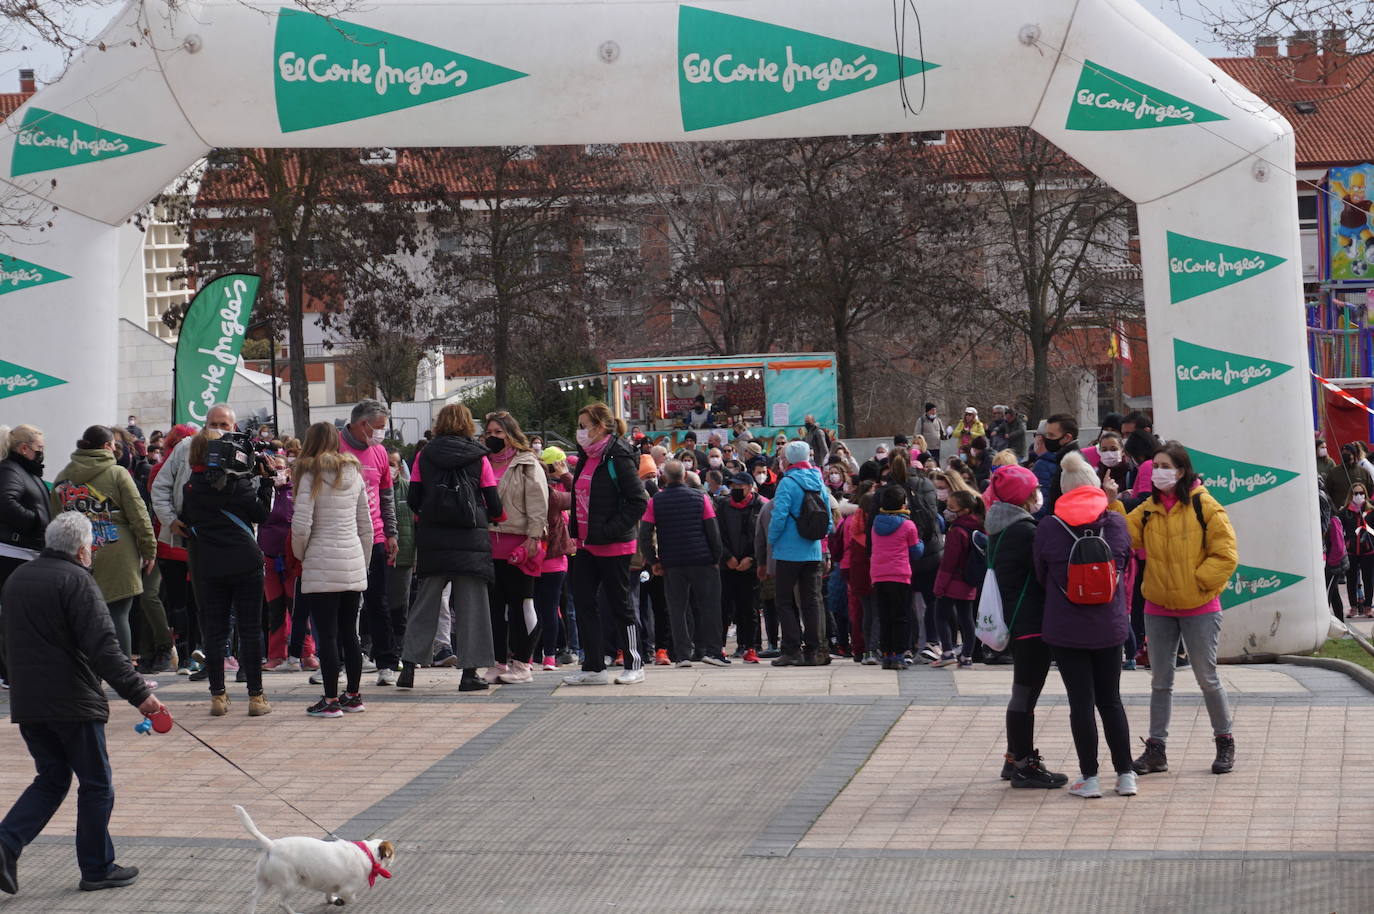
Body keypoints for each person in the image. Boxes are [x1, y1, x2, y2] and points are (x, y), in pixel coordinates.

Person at [0, 512, 165, 895]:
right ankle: (97, 867)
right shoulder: (77, 580)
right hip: (71, 699)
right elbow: (103, 646)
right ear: (80, 548)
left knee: (52, 777)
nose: (93, 550)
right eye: (92, 544)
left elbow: (6, 641)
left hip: (28, 698)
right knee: (96, 784)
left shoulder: (17, 578)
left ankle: (5, 845)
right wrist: (140, 694)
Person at [1127, 442, 1239, 778]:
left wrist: (1199, 582)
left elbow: (1226, 555)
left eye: (1164, 465)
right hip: (1158, 606)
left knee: (1208, 678)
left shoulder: (1206, 506)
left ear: (1180, 470)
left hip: (1200, 607)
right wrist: (1110, 502)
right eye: (1155, 465)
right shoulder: (1148, 509)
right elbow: (1124, 536)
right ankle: (1156, 750)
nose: (1158, 471)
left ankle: (1224, 741)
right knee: (1160, 681)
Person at [403, 404, 502, 693]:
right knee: (473, 608)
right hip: (470, 541)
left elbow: (413, 498)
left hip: (434, 540)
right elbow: (493, 502)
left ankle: (408, 666)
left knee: (425, 605)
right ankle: (469, 673)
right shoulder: (480, 458)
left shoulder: (425, 454)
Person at [179, 428, 272, 717]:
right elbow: (261, 515)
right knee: (251, 629)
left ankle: (218, 696)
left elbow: (186, 520)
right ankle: (256, 698)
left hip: (208, 566)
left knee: (215, 632)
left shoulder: (191, 487)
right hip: (246, 563)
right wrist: (266, 481)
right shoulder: (239, 484)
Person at [984, 466, 1067, 788]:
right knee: (1025, 695)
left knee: (1022, 692)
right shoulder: (1025, 532)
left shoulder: (1001, 527)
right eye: (1034, 491)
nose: (1038, 496)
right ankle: (1024, 764)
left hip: (1015, 620)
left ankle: (1013, 757)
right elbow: (1045, 573)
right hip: (1031, 622)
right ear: (1024, 496)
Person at [50, 426, 157, 661]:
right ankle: (124, 676)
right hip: (117, 548)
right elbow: (139, 514)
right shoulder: (118, 473)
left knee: (82, 616)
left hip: (76, 552)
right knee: (119, 614)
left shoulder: (62, 477)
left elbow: (56, 520)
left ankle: (88, 674)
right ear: (108, 446)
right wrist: (149, 549)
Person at [290, 422, 373, 716]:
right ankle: (354, 694)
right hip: (352, 561)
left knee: (326, 635)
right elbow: (367, 525)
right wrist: (362, 562)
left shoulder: (309, 474)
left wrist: (302, 555)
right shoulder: (355, 473)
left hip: (321, 561)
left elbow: (302, 526)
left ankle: (330, 699)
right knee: (350, 633)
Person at [564, 403, 649, 686]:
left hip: (613, 545)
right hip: (586, 545)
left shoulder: (618, 456)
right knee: (585, 602)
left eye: (584, 425)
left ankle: (634, 662)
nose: (580, 431)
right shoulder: (586, 457)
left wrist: (609, 529)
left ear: (600, 427)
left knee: (620, 604)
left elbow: (639, 501)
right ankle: (594, 666)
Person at [481, 411, 548, 684]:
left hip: (519, 542)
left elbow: (538, 502)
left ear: (510, 434)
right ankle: (498, 661)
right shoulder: (481, 462)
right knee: (494, 607)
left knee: (521, 604)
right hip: (489, 543)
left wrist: (533, 537)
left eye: (499, 432)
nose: (493, 437)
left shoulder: (526, 463)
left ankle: (523, 661)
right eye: (490, 432)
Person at [639, 459, 726, 666]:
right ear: (685, 476)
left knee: (677, 609)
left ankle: (682, 655)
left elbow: (644, 534)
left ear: (664, 478)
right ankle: (713, 651)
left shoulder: (655, 501)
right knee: (710, 606)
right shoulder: (700, 498)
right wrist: (716, 557)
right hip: (703, 560)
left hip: (672, 563)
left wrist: (654, 561)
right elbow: (713, 530)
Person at [338, 400, 400, 685]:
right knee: (342, 602)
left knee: (378, 600)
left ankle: (386, 660)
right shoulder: (334, 447)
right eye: (379, 429)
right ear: (363, 424)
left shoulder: (379, 453)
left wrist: (391, 533)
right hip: (341, 535)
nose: (381, 435)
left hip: (374, 536)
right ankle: (338, 660)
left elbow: (387, 496)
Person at [767, 440, 832, 666]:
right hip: (813, 550)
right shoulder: (818, 480)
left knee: (785, 601)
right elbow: (829, 519)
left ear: (789, 460)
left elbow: (780, 515)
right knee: (812, 601)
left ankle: (792, 649)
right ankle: (814, 650)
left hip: (788, 551)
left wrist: (772, 539)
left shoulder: (787, 482)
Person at [869, 485, 923, 670]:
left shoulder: (876, 523)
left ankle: (886, 655)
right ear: (902, 504)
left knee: (885, 617)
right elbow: (916, 552)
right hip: (900, 575)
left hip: (879, 575)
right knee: (901, 617)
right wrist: (921, 542)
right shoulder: (908, 525)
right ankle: (899, 655)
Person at [716, 472, 764, 664]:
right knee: (724, 607)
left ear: (749, 487)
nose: (735, 491)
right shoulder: (723, 506)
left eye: (739, 487)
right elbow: (717, 534)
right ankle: (719, 646)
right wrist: (727, 557)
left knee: (749, 608)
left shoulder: (760, 506)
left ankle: (749, 646)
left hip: (749, 566)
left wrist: (751, 559)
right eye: (733, 487)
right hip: (727, 565)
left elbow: (763, 536)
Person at [931, 490, 983, 668]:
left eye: (952, 507)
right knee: (967, 618)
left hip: (952, 581)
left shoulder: (957, 531)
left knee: (940, 615)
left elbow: (949, 562)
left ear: (965, 510)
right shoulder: (977, 526)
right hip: (970, 581)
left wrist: (940, 585)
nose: (947, 511)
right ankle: (967, 656)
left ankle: (947, 652)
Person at [535, 447, 575, 670]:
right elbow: (578, 495)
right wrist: (565, 474)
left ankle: (528, 656)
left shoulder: (524, 496)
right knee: (551, 609)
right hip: (554, 561)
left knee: (528, 608)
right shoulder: (554, 497)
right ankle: (550, 656)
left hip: (529, 559)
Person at [0, 425, 50, 592]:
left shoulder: (26, 471)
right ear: (24, 448)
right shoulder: (10, 469)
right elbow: (5, 503)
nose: (42, 452)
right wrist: (36, 521)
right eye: (40, 448)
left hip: (25, 551)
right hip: (15, 553)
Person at [385, 448, 416, 661]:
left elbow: (416, 526)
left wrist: (416, 558)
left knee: (400, 606)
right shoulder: (375, 491)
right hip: (379, 557)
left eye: (393, 464)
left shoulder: (409, 490)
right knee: (377, 606)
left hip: (404, 557)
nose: (390, 468)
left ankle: (401, 648)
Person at [1036, 413, 1081, 517]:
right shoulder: (1064, 459)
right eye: (1047, 434)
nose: (1047, 439)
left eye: (1052, 435)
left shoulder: (1073, 465)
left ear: (1067, 438)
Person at [1339, 482, 1374, 618]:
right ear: (1351, 495)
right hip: (1351, 551)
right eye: (1356, 493)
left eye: (1361, 493)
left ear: (1365, 494)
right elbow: (1338, 528)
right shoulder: (1345, 511)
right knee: (1351, 579)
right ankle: (1353, 607)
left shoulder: (1370, 511)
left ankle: (1367, 607)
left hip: (1368, 551)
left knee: (1368, 579)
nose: (1359, 495)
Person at [1325, 444, 1374, 511]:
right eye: (1344, 453)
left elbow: (1370, 490)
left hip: (1360, 511)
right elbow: (1328, 492)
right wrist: (1334, 509)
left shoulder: (1363, 472)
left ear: (1354, 454)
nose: (1346, 455)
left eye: (1348, 453)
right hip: (1340, 511)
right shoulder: (1334, 472)